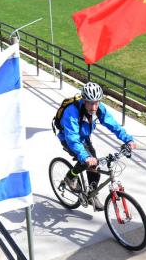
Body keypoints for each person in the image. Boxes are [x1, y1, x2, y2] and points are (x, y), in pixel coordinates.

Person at [57, 82, 137, 211]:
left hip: (84, 136)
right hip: (68, 138)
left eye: (96, 102)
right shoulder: (72, 112)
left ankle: (92, 195)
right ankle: (70, 177)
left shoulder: (99, 109)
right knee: (86, 161)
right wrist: (85, 157)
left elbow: (113, 125)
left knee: (95, 166)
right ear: (84, 101)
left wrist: (128, 140)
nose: (94, 107)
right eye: (90, 103)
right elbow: (72, 138)